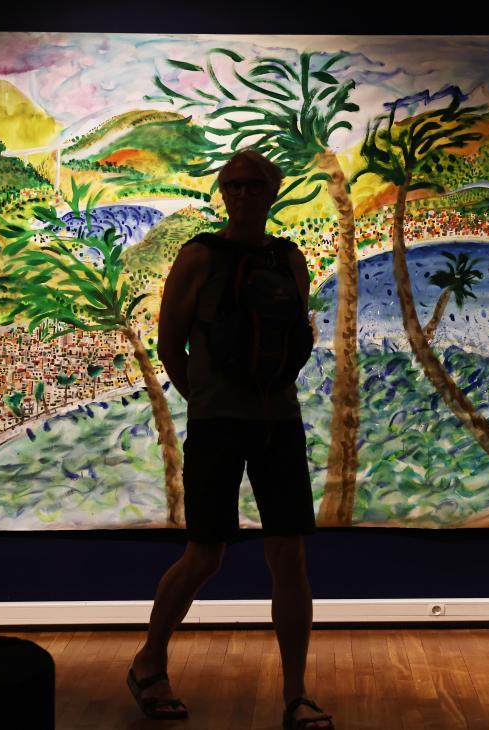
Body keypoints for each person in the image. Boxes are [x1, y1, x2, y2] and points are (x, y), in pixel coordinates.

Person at [127, 150, 334, 729]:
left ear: (272, 192)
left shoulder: (289, 259)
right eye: (233, 185)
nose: (242, 194)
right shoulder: (199, 256)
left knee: (289, 555)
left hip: (279, 422)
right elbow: (170, 345)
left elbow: (295, 337)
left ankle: (296, 695)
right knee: (205, 554)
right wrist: (206, 402)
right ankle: (149, 661)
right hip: (217, 424)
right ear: (223, 192)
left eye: (253, 185)